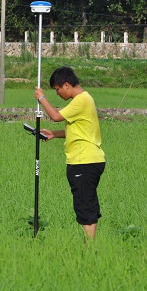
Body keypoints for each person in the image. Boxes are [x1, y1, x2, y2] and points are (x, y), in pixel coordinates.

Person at [34, 66, 105, 239]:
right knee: (86, 203)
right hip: (87, 160)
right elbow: (79, 131)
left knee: (85, 205)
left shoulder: (81, 100)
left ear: (66, 85)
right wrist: (54, 134)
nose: (57, 94)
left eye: (57, 90)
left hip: (84, 161)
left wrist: (41, 98)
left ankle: (89, 248)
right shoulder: (83, 100)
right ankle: (90, 245)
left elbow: (56, 116)